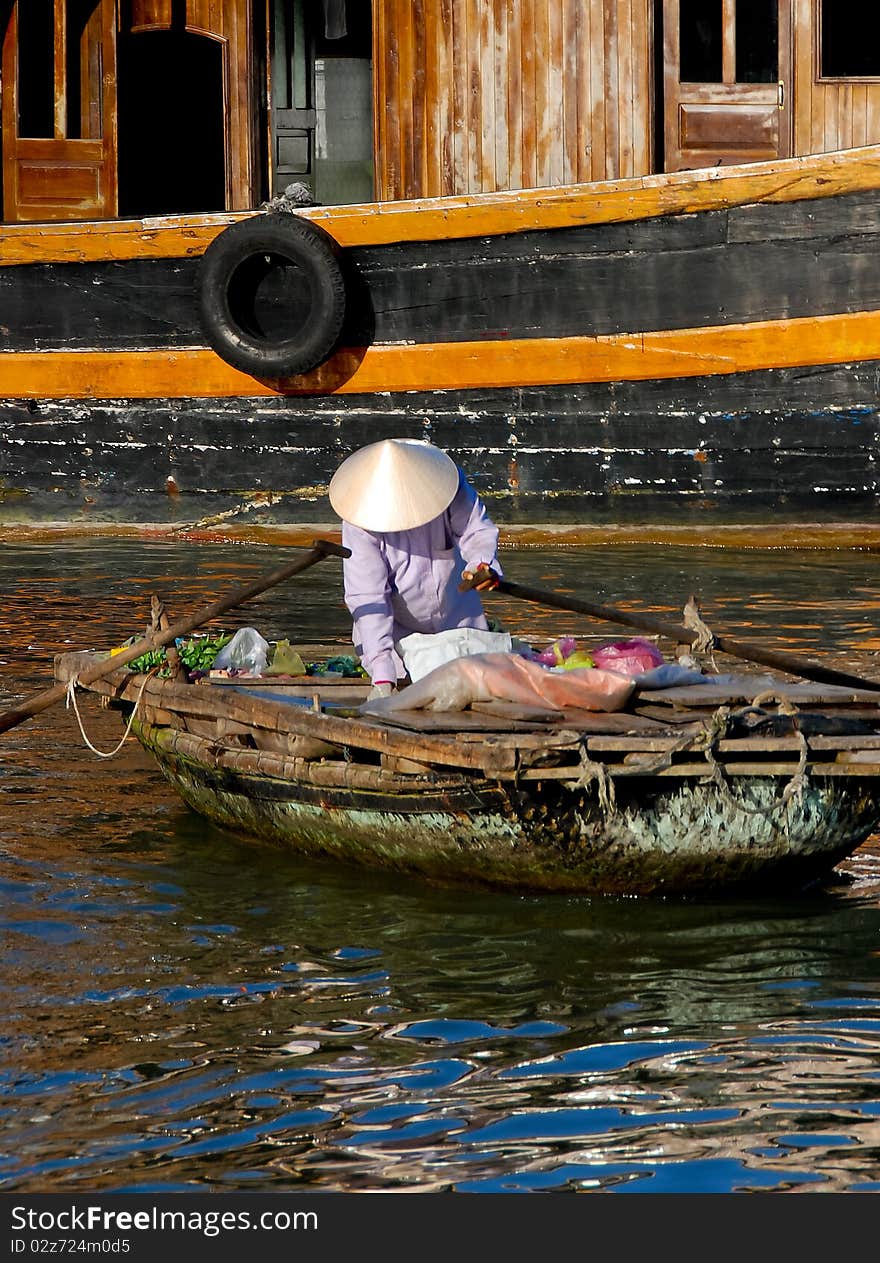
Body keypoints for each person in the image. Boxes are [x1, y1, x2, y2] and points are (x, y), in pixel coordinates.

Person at [328, 438, 502, 698]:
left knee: (478, 683)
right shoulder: (360, 521)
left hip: (459, 622)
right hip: (398, 637)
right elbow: (368, 596)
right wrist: (383, 674)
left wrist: (482, 564)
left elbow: (476, 530)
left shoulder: (449, 487)